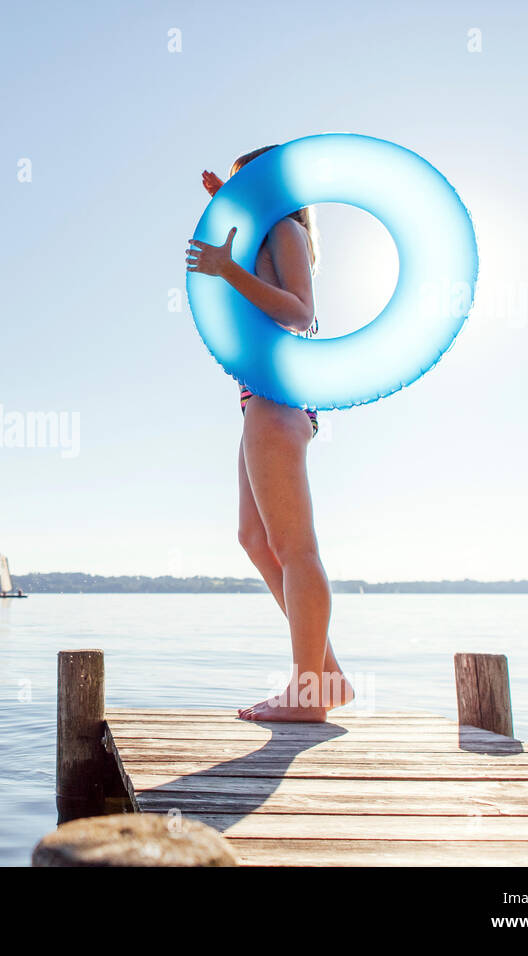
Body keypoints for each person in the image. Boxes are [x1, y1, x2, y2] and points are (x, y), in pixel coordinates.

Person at [187, 145, 352, 722]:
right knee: (255, 540)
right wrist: (223, 205)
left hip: (279, 397)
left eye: (245, 181)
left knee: (294, 548)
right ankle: (327, 677)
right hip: (260, 397)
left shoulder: (285, 230)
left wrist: (227, 269)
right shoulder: (266, 234)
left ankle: (309, 696)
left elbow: (299, 313)